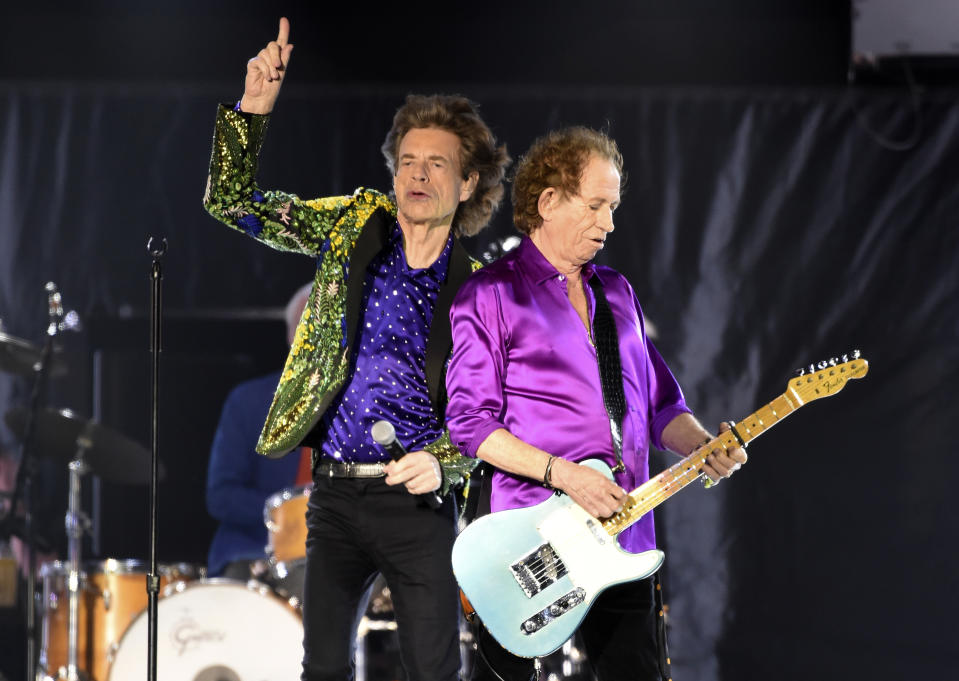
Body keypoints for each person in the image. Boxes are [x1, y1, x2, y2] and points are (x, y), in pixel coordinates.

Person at [202, 17, 510, 681]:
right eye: (407, 161)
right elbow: (233, 202)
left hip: (417, 504)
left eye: (437, 164)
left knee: (433, 668)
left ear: (467, 183)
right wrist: (251, 112)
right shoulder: (353, 225)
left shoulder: (479, 290)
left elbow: (494, 410)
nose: (417, 175)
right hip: (335, 496)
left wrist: (446, 462)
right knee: (321, 669)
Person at [445, 127, 748, 681]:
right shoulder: (490, 293)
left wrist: (704, 445)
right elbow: (469, 424)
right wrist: (567, 476)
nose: (608, 223)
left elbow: (661, 404)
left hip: (624, 534)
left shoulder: (617, 291)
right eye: (595, 205)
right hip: (527, 545)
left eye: (613, 207)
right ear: (549, 202)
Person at [205, 282, 312, 581]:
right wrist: (290, 513)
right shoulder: (249, 402)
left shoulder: (369, 404)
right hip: (259, 552)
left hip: (346, 555)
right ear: (292, 337)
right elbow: (221, 496)